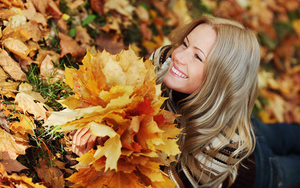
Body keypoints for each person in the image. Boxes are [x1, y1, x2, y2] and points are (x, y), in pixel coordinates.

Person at [71, 15, 300, 188]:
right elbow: (127, 102)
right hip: (231, 118)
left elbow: (164, 182)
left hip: (258, 169)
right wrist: (105, 127)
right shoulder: (164, 60)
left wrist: (115, 150)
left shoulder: (222, 146)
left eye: (198, 56)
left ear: (221, 80)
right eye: (185, 44)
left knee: (290, 159)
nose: (178, 56)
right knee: (273, 133)